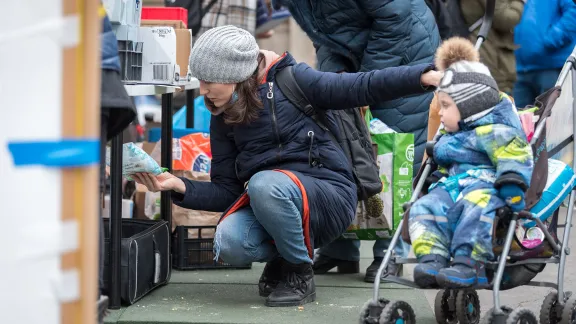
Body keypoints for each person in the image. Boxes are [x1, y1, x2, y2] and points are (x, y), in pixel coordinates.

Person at [132, 25, 442, 307]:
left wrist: (422, 76)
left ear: (236, 75)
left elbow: (362, 85)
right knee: (229, 241)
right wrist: (178, 186)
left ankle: (298, 271)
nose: (202, 91)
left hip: (329, 197)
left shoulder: (296, 80)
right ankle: (285, 254)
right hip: (274, 199)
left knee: (264, 183)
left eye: (209, 81)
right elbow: (227, 191)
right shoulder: (222, 115)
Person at [271, 0, 441, 283]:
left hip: (406, 50)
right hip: (352, 53)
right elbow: (323, 32)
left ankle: (390, 254)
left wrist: (365, 83)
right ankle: (340, 248)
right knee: (336, 144)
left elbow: (395, 16)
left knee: (395, 147)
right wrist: (335, 76)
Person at [408, 38, 534, 289]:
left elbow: (515, 154)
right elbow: (443, 163)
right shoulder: (449, 135)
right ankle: (433, 258)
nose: (439, 112)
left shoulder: (496, 131)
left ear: (469, 108)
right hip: (453, 186)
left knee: (475, 208)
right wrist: (431, 177)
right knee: (425, 206)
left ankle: (470, 263)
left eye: (446, 106)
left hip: (486, 187)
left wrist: (511, 182)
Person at [513, 0, 576, 109]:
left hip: (550, 66)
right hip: (519, 69)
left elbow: (572, 12)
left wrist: (553, 39)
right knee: (521, 120)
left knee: (551, 119)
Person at [460, 0, 525, 94]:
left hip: (481, 46)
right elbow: (505, 19)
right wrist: (519, 2)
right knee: (497, 94)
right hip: (488, 50)